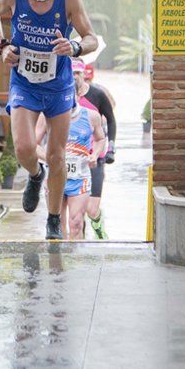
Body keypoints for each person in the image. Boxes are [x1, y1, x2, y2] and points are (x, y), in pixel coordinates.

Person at [0, 0, 98, 240]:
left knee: (57, 156)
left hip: (58, 86)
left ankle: (53, 219)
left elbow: (91, 39)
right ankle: (35, 175)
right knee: (23, 147)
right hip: (24, 82)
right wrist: (2, 45)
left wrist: (73, 46)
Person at [34, 60, 106, 239]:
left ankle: (75, 264)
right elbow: (32, 145)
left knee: (76, 223)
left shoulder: (92, 117)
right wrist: (50, 158)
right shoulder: (47, 117)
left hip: (79, 178)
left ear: (77, 95)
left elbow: (100, 139)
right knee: (58, 226)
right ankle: (59, 265)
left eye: (69, 97)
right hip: (55, 176)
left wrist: (95, 154)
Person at [75, 64, 117, 239]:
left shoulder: (98, 94)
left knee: (91, 210)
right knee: (76, 213)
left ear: (84, 74)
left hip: (94, 157)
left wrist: (111, 148)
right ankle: (79, 241)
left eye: (77, 73)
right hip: (72, 159)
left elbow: (111, 119)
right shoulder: (63, 95)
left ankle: (98, 224)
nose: (74, 77)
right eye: (70, 73)